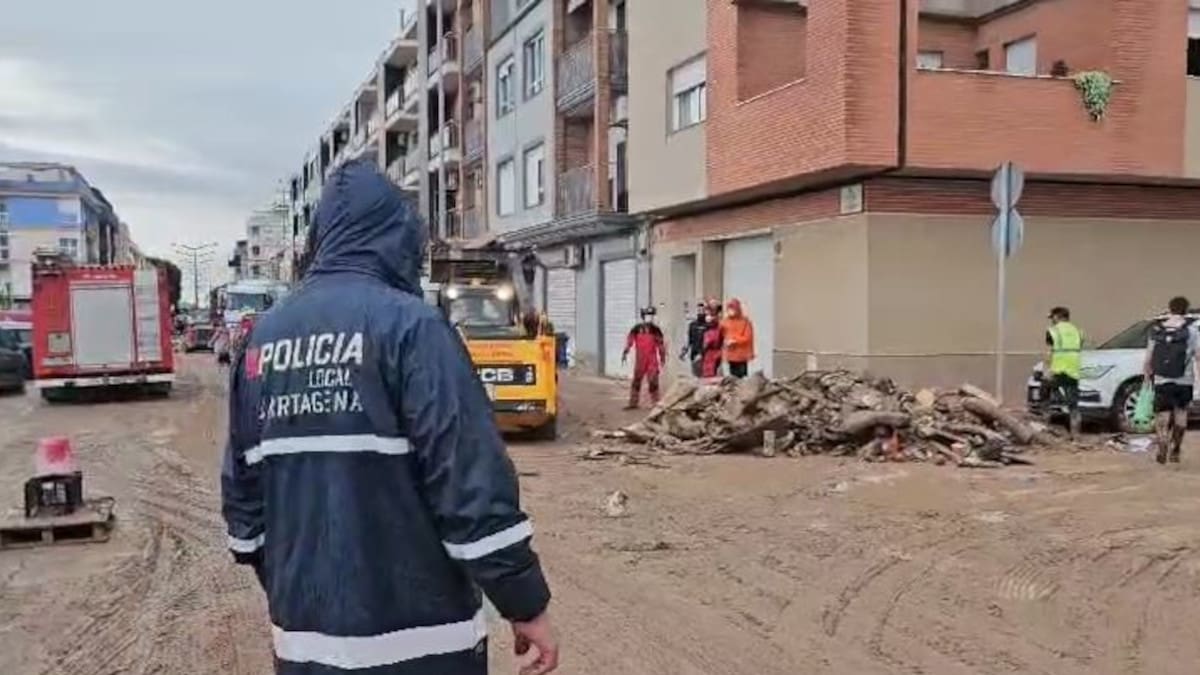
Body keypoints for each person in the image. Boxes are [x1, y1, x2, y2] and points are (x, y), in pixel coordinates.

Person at [221, 160, 558, 675]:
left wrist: (294, 582)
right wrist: (525, 603)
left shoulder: (262, 340)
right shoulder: (414, 328)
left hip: (306, 644)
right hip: (423, 645)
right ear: (398, 237)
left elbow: (243, 505)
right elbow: (471, 486)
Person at [1143, 296, 1198, 465]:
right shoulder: (1192, 331)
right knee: (1181, 414)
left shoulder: (1158, 329)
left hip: (1162, 379)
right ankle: (1176, 449)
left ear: (1169, 308)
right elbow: (1198, 355)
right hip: (1184, 379)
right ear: (1186, 310)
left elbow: (1149, 357)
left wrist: (1147, 376)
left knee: (1162, 415)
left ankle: (1162, 441)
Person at [1043, 306, 1084, 438]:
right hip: (1073, 370)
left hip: (1057, 369)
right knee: (1073, 404)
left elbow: (1049, 352)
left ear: (1057, 316)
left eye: (1052, 318)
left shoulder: (1053, 331)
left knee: (1045, 396)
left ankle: (1045, 427)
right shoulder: (1078, 331)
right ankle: (1075, 434)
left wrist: (1046, 370)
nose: (1051, 321)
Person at [622, 306, 666, 409]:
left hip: (652, 359)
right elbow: (630, 340)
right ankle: (633, 403)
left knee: (653, 381)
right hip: (640, 359)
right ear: (643, 316)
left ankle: (655, 403)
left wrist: (662, 356)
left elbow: (660, 344)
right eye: (647, 315)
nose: (649, 317)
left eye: (651, 315)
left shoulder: (656, 330)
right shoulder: (636, 329)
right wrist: (626, 351)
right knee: (637, 380)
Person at [721, 298, 755, 378]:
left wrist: (734, 340)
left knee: (741, 377)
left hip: (742, 355)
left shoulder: (745, 322)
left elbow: (747, 337)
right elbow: (721, 334)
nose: (730, 311)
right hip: (731, 355)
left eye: (732, 309)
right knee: (732, 377)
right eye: (729, 309)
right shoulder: (725, 321)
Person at [679, 302, 708, 377]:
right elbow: (689, 340)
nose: (701, 312)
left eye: (702, 310)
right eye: (699, 310)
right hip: (694, 354)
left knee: (704, 376)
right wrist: (683, 352)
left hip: (705, 356)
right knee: (696, 376)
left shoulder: (708, 325)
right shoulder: (692, 325)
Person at [700, 310, 724, 378]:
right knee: (710, 371)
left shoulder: (711, 332)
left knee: (710, 371)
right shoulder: (711, 331)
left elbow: (706, 344)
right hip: (713, 353)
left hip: (712, 353)